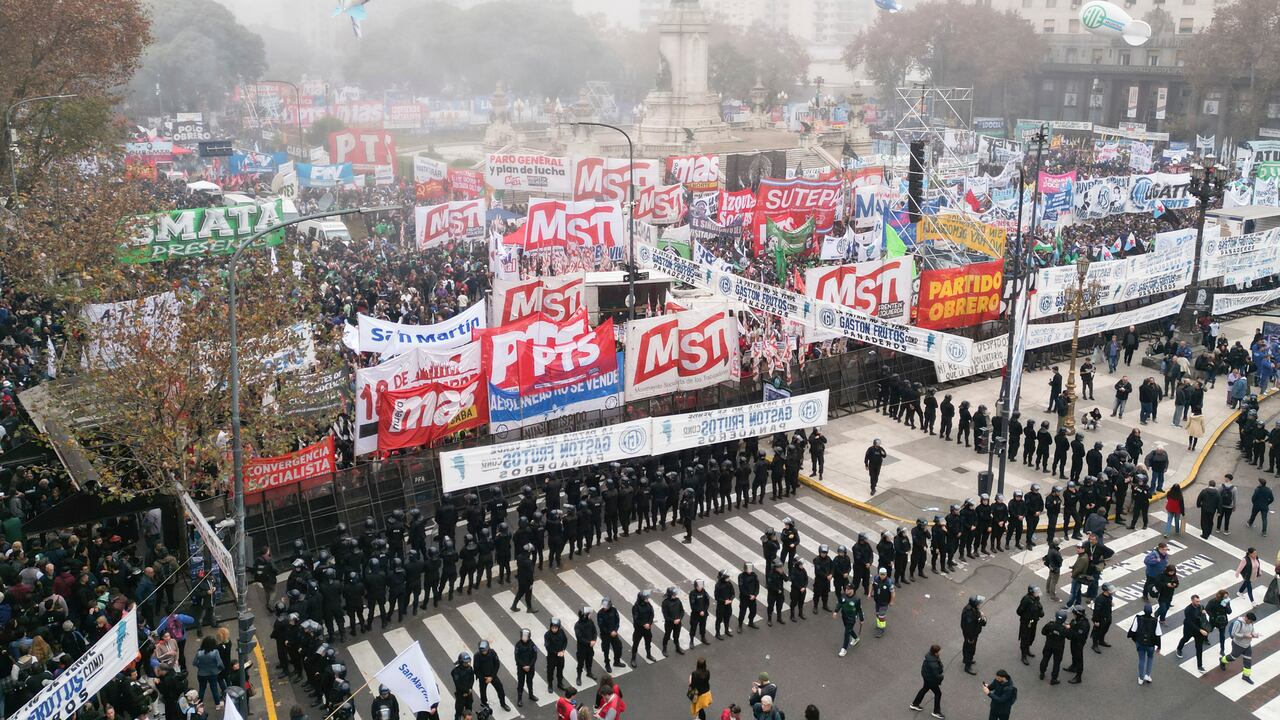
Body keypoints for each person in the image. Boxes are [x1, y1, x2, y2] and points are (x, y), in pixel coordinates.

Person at [1126, 603, 1162, 685]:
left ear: (1144, 611)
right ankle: (1147, 675)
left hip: (1140, 643)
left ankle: (1141, 678)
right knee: (1150, 658)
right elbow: (1158, 634)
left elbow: (1133, 630)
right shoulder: (1155, 621)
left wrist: (1134, 640)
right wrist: (1159, 647)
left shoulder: (1138, 618)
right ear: (1151, 611)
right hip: (1151, 644)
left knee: (1141, 660)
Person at [1220, 610, 1260, 683]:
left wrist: (1254, 634)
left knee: (1248, 660)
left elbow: (1252, 630)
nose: (1251, 623)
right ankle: (1222, 660)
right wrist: (1244, 636)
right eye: (1250, 621)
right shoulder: (1238, 623)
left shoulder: (1251, 623)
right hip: (1238, 644)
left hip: (1247, 645)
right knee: (1233, 657)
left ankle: (1246, 676)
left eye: (1252, 622)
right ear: (1246, 618)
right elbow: (1234, 633)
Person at [1175, 595, 1210, 673]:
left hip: (1199, 631)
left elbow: (1203, 619)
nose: (1198, 603)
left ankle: (1200, 666)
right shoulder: (1188, 610)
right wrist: (1200, 630)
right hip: (1189, 629)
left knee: (1199, 648)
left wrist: (1206, 626)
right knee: (1185, 639)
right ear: (1192, 601)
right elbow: (1189, 622)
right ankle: (1179, 649)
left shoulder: (1201, 606)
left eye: (1199, 601)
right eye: (1196, 601)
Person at [910, 644, 945, 718]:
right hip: (931, 680)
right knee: (938, 693)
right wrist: (941, 677)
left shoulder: (928, 656)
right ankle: (936, 711)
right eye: (938, 652)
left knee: (924, 689)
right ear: (935, 653)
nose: (939, 653)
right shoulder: (934, 664)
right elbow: (937, 675)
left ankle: (915, 704)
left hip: (926, 677)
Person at [474, 640, 510, 712]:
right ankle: (484, 704)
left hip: (492, 675)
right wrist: (483, 678)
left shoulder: (492, 652)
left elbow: (497, 664)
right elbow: (476, 670)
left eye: (485, 650)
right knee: (483, 693)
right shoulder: (477, 656)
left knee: (500, 689)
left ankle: (503, 703)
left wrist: (492, 677)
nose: (484, 652)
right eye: (482, 651)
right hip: (483, 678)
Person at [193, 635, 225, 708]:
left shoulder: (199, 652)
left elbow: (194, 663)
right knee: (214, 689)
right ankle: (217, 704)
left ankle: (199, 704)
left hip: (201, 674)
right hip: (213, 673)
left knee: (201, 689)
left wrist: (200, 666)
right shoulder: (215, 652)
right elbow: (219, 663)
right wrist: (219, 669)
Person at [1038, 609, 1068, 684]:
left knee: (1045, 659)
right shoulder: (1064, 629)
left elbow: (1043, 632)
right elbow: (1069, 636)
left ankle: (1042, 673)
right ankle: (1053, 679)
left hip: (1049, 644)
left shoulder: (1050, 625)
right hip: (1059, 648)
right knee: (1057, 663)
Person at [1015, 587, 1043, 666]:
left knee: (1031, 636)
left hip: (1033, 621)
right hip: (1026, 622)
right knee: (1025, 638)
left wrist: (1040, 611)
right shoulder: (1026, 600)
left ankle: (1027, 649)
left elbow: (1038, 606)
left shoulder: (1036, 598)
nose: (1037, 593)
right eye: (1036, 592)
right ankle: (1023, 655)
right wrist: (1026, 616)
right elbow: (1019, 611)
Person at [833, 584, 864, 656]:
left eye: (848, 589)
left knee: (847, 633)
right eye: (846, 588)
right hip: (844, 616)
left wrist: (861, 619)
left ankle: (844, 649)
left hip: (851, 618)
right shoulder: (843, 595)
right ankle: (856, 638)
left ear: (852, 590)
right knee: (848, 629)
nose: (846, 590)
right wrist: (836, 611)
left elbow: (859, 609)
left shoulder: (856, 599)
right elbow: (840, 603)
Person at [961, 595, 986, 675]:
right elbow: (970, 628)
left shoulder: (971, 609)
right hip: (971, 635)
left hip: (969, 634)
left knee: (966, 646)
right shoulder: (970, 614)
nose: (979, 605)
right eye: (978, 603)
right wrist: (971, 638)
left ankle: (966, 659)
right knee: (970, 649)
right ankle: (967, 667)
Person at [513, 628, 538, 708]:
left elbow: (535, 656)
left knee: (530, 682)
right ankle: (519, 699)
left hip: (530, 668)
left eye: (526, 636)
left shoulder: (533, 645)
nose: (524, 638)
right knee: (521, 683)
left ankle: (531, 695)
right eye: (523, 636)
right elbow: (517, 657)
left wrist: (529, 666)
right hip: (521, 668)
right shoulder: (518, 645)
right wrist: (523, 666)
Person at [452, 653, 476, 720]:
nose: (467, 664)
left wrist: (470, 688)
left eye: (468, 662)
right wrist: (466, 691)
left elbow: (472, 679)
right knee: (459, 711)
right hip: (461, 694)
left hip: (468, 693)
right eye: (465, 662)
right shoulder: (455, 672)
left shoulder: (469, 668)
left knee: (469, 709)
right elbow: (458, 684)